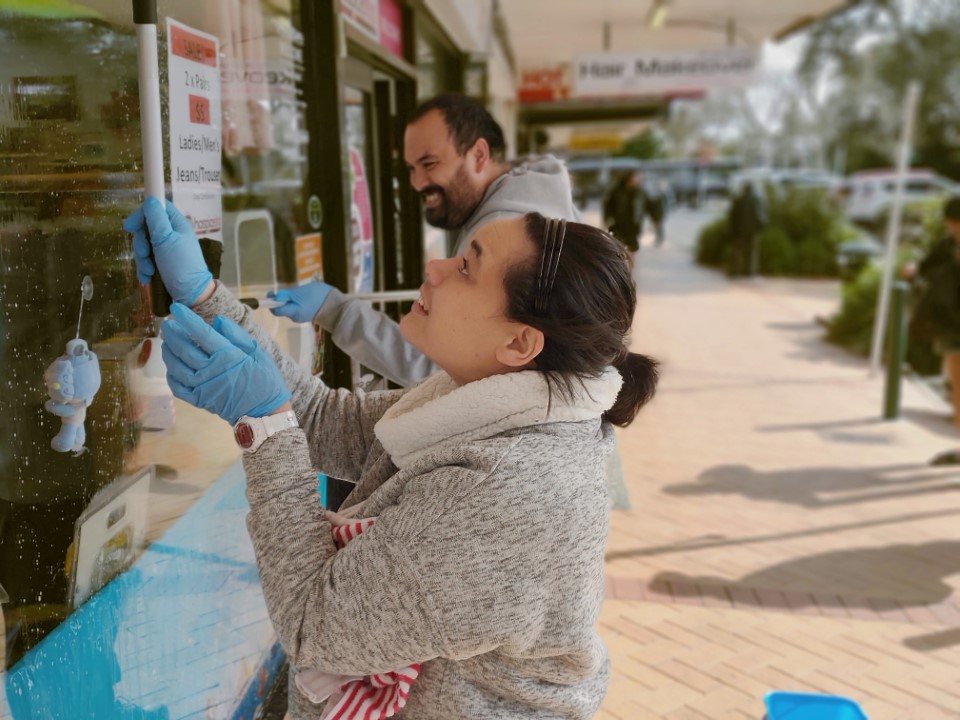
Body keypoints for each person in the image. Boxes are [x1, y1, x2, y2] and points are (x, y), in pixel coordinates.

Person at [123, 196, 658, 720]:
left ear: (520, 343)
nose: (436, 267)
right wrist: (203, 294)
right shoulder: (496, 404)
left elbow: (317, 628)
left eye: (466, 268)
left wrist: (264, 425)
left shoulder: (506, 493)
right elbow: (324, 418)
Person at [267, 94, 580, 388]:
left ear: (479, 155)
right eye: (411, 168)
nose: (417, 183)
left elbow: (440, 369)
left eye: (429, 164)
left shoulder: (506, 231)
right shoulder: (528, 208)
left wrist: (335, 310)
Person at [903, 197, 960, 461]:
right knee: (957, 388)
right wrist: (913, 269)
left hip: (952, 324)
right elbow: (924, 267)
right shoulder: (947, 246)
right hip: (952, 324)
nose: (952, 228)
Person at [602, 171, 644, 265]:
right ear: (627, 179)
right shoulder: (616, 191)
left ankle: (630, 271)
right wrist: (607, 219)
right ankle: (622, 267)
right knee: (618, 248)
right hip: (619, 224)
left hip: (633, 225)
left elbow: (644, 206)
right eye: (633, 179)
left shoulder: (638, 192)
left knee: (632, 248)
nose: (634, 181)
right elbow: (608, 206)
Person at [728, 182, 767, 277]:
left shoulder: (738, 200)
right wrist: (761, 227)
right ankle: (750, 272)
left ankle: (735, 272)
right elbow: (760, 216)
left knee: (737, 251)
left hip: (739, 230)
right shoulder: (756, 200)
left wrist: (732, 229)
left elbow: (732, 216)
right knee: (752, 251)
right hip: (752, 230)